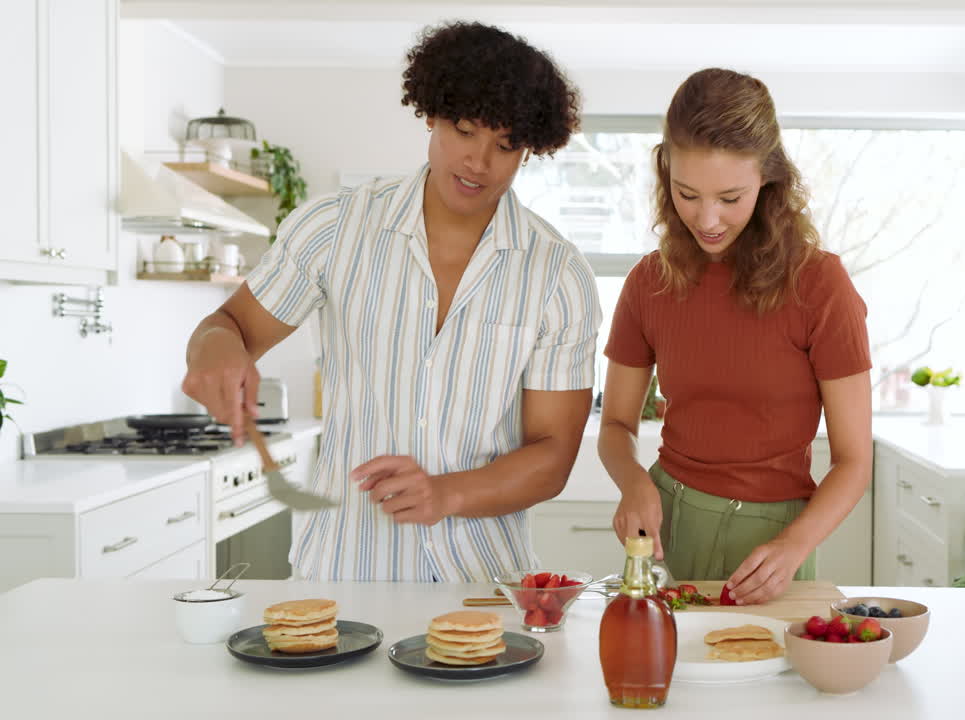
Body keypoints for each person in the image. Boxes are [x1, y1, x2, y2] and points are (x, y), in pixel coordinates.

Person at [182, 22, 602, 582]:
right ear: (431, 115)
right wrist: (214, 350)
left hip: (482, 583)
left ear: (529, 150)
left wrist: (446, 493)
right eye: (464, 130)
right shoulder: (334, 228)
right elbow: (228, 325)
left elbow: (552, 455)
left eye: (505, 146)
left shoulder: (557, 274)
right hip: (345, 575)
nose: (478, 161)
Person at [598, 68, 872, 605]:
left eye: (730, 197)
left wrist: (794, 545)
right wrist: (633, 482)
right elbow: (615, 426)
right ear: (665, 172)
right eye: (687, 193)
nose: (708, 219)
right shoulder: (649, 281)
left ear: (768, 178)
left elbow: (854, 461)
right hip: (666, 525)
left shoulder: (820, 284)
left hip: (774, 544)